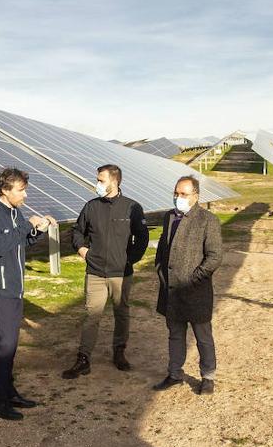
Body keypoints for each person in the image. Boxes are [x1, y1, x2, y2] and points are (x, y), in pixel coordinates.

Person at [0, 167, 56, 420]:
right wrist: (26, 226)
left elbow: (21, 242)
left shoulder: (14, 212)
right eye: (21, 190)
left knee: (10, 347)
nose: (25, 194)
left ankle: (9, 392)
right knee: (4, 346)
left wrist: (39, 229)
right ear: (5, 190)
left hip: (14, 289)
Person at [62, 164, 149, 379]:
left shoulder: (132, 207)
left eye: (101, 180)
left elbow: (143, 236)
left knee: (121, 313)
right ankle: (83, 359)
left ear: (115, 181)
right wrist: (82, 250)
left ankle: (119, 352)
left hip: (121, 273)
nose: (97, 184)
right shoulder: (91, 207)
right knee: (92, 315)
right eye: (98, 180)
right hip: (95, 272)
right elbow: (77, 231)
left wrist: (131, 260)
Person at [152, 175, 223, 395]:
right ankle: (174, 374)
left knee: (202, 336)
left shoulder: (207, 220)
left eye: (183, 194)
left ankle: (208, 376)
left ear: (196, 196)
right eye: (176, 193)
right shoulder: (169, 217)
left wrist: (194, 279)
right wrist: (159, 270)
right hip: (171, 290)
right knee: (175, 334)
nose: (178, 198)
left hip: (195, 291)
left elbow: (214, 257)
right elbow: (163, 248)